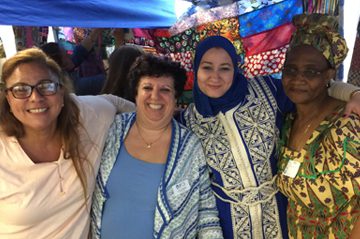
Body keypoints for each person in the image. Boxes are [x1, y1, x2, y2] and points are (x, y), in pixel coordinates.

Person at [179, 35, 360, 239]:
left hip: (281, 219)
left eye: (225, 68)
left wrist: (354, 94)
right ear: (195, 70)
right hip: (228, 226)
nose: (215, 76)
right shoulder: (187, 122)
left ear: (236, 69)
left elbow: (312, 86)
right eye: (207, 67)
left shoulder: (266, 90)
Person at [0, 48, 135, 238]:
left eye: (46, 86)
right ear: (8, 99)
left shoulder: (87, 117)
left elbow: (114, 102)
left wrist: (162, 128)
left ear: (61, 92)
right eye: (21, 89)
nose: (35, 97)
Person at [91, 54, 223, 238]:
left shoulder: (189, 147)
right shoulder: (113, 129)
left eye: (165, 90)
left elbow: (206, 212)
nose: (155, 96)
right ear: (135, 94)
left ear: (175, 97)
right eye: (147, 87)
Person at [276, 13, 360, 238]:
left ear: (329, 75)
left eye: (311, 71)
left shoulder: (347, 123)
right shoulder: (287, 122)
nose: (298, 78)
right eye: (290, 70)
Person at [41, 28, 105, 95]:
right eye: (66, 55)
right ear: (61, 66)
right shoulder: (76, 87)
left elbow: (81, 51)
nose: (69, 55)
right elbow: (109, 80)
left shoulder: (59, 74)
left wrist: (97, 30)